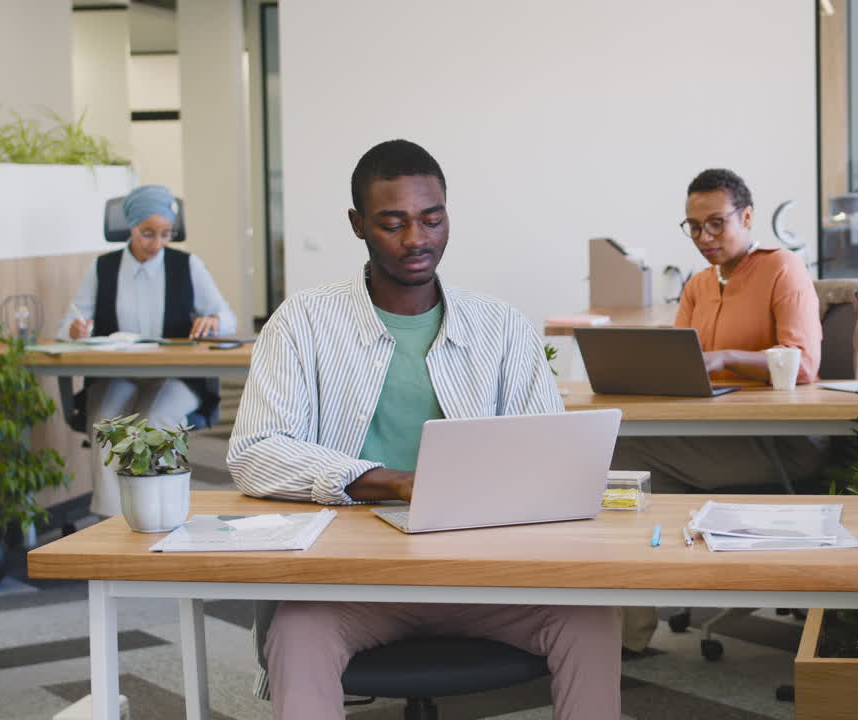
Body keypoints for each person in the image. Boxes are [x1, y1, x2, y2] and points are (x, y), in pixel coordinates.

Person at [227, 139, 620, 720]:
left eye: (432, 219)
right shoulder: (304, 322)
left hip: (483, 575)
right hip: (354, 581)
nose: (417, 239)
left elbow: (549, 457)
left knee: (590, 621)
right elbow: (255, 452)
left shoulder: (500, 326)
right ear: (358, 225)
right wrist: (392, 481)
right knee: (297, 631)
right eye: (393, 223)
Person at [611, 168, 824, 652]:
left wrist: (727, 359)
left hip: (778, 443)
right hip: (713, 435)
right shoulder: (699, 285)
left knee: (623, 457)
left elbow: (805, 363)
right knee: (634, 472)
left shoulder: (782, 268)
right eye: (693, 226)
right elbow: (681, 362)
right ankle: (632, 618)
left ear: (746, 217)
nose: (703, 237)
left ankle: (630, 629)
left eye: (715, 224)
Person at [57, 184, 236, 517]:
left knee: (154, 422)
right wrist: (75, 329)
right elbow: (70, 320)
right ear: (130, 227)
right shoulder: (104, 268)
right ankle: (112, 521)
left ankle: (161, 513)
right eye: (147, 234)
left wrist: (213, 321)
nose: (157, 244)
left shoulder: (187, 265)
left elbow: (227, 317)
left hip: (176, 375)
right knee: (107, 424)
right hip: (117, 374)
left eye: (166, 234)